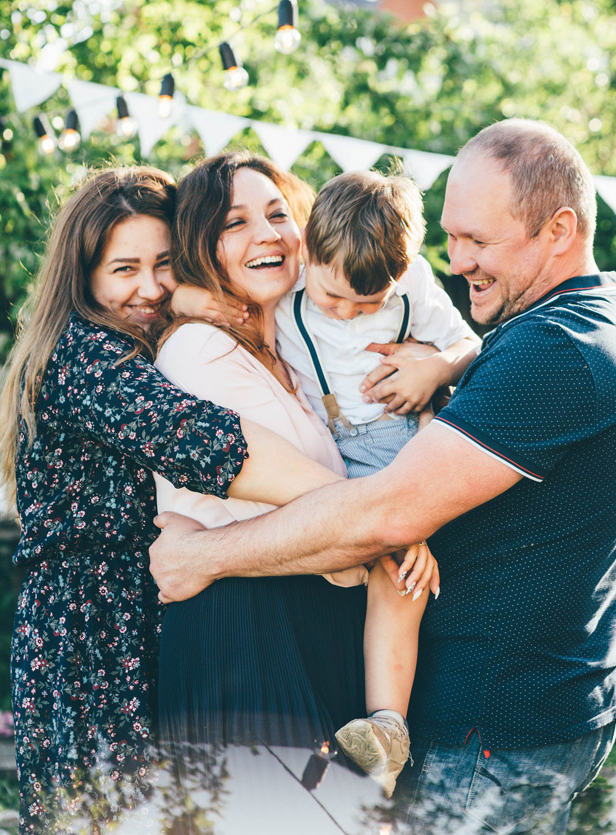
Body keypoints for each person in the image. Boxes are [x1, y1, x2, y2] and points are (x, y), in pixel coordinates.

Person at [149, 119, 616, 833]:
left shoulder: (559, 350)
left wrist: (198, 554)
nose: (456, 262)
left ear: (558, 230)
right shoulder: (551, 326)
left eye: (477, 241)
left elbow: (386, 512)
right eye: (450, 237)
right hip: (491, 714)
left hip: (497, 724)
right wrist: (188, 298)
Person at [0, 166, 363, 833]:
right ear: (86, 278)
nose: (149, 287)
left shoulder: (150, 338)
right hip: (89, 637)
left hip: (147, 617)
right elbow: (210, 443)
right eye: (124, 268)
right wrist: (366, 515)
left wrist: (189, 297)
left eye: (165, 264)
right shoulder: (84, 356)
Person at [173, 167, 478, 796]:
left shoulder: (279, 328)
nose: (268, 233)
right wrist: (394, 521)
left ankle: (386, 727)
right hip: (248, 635)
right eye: (235, 222)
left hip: (316, 609)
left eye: (278, 212)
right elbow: (274, 479)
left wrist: (432, 369)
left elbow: (463, 346)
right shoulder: (201, 350)